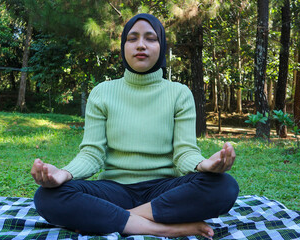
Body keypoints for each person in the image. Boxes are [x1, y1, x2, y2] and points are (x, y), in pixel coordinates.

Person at [31, 13, 239, 238]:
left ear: (161, 46)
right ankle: (160, 228)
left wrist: (203, 165)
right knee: (47, 196)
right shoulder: (102, 93)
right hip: (114, 190)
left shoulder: (179, 94)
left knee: (224, 186)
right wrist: (64, 174)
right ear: (123, 46)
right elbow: (92, 154)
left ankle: (116, 218)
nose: (141, 45)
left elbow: (184, 153)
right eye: (132, 38)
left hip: (165, 190)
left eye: (150, 38)